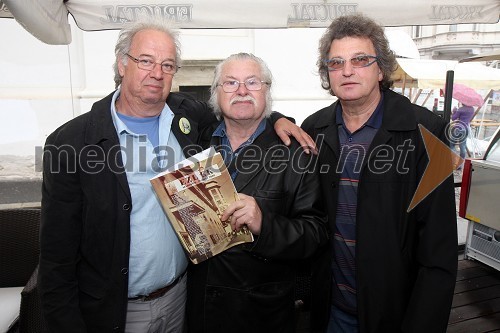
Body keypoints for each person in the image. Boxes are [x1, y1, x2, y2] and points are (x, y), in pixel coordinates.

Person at [38, 19, 315, 333]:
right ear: (121, 64)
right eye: (145, 61)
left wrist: (277, 118)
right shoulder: (72, 142)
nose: (157, 72)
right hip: (114, 311)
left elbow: (243, 109)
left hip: (183, 300)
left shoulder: (187, 119)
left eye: (167, 64)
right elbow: (56, 258)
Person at [301, 14, 458, 333]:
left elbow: (438, 253)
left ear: (382, 68)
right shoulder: (313, 129)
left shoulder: (427, 133)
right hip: (328, 313)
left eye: (360, 59)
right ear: (327, 73)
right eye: (336, 63)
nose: (347, 70)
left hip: (395, 316)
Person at [185, 52, 329, 332]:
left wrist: (265, 223)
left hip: (261, 313)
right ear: (215, 93)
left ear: (267, 90)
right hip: (200, 307)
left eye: (252, 82)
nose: (241, 91)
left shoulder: (296, 153)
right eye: (230, 83)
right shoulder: (196, 141)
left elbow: (315, 233)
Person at [450, 102, 475, 169]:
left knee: (451, 145)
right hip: (466, 128)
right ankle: (460, 165)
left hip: (458, 128)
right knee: (462, 147)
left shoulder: (461, 109)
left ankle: (454, 161)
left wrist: (454, 111)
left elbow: (453, 118)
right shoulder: (472, 109)